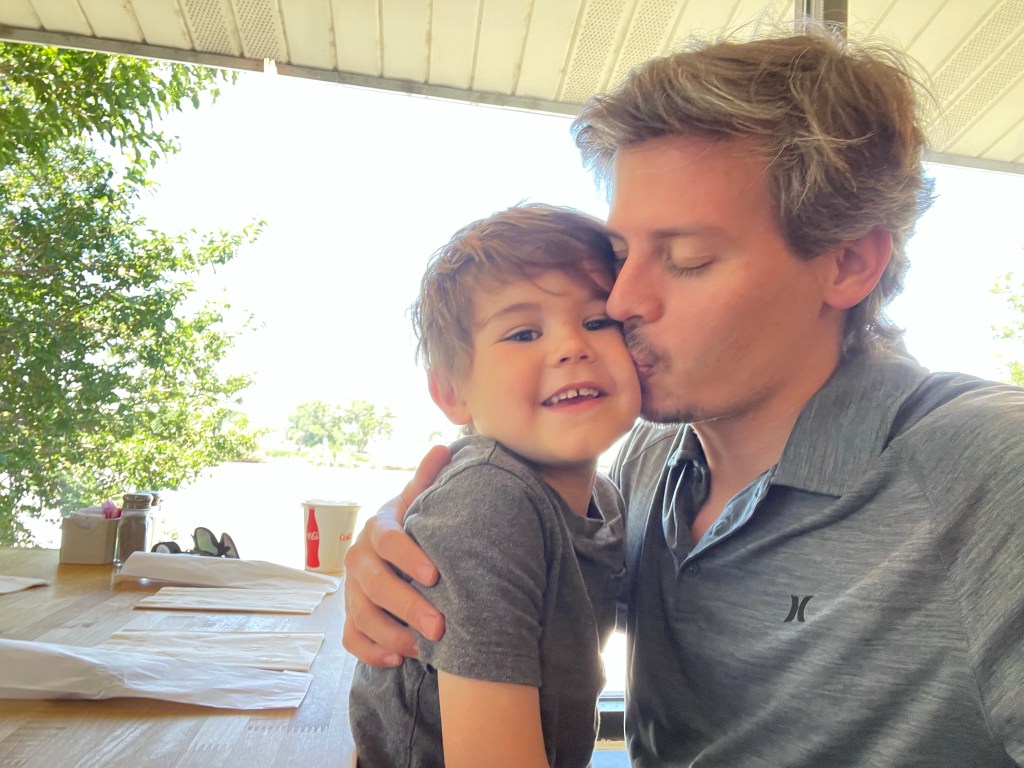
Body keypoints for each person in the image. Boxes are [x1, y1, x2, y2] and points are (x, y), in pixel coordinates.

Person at [343, 30, 1024, 766]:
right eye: (622, 256)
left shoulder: (991, 478)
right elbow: (519, 576)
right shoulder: (651, 457)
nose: (622, 301)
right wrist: (399, 549)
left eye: (688, 259)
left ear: (849, 262)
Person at [347, 203, 642, 767]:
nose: (572, 346)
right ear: (452, 393)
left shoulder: (604, 500)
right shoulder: (488, 502)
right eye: (524, 332)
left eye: (598, 321)